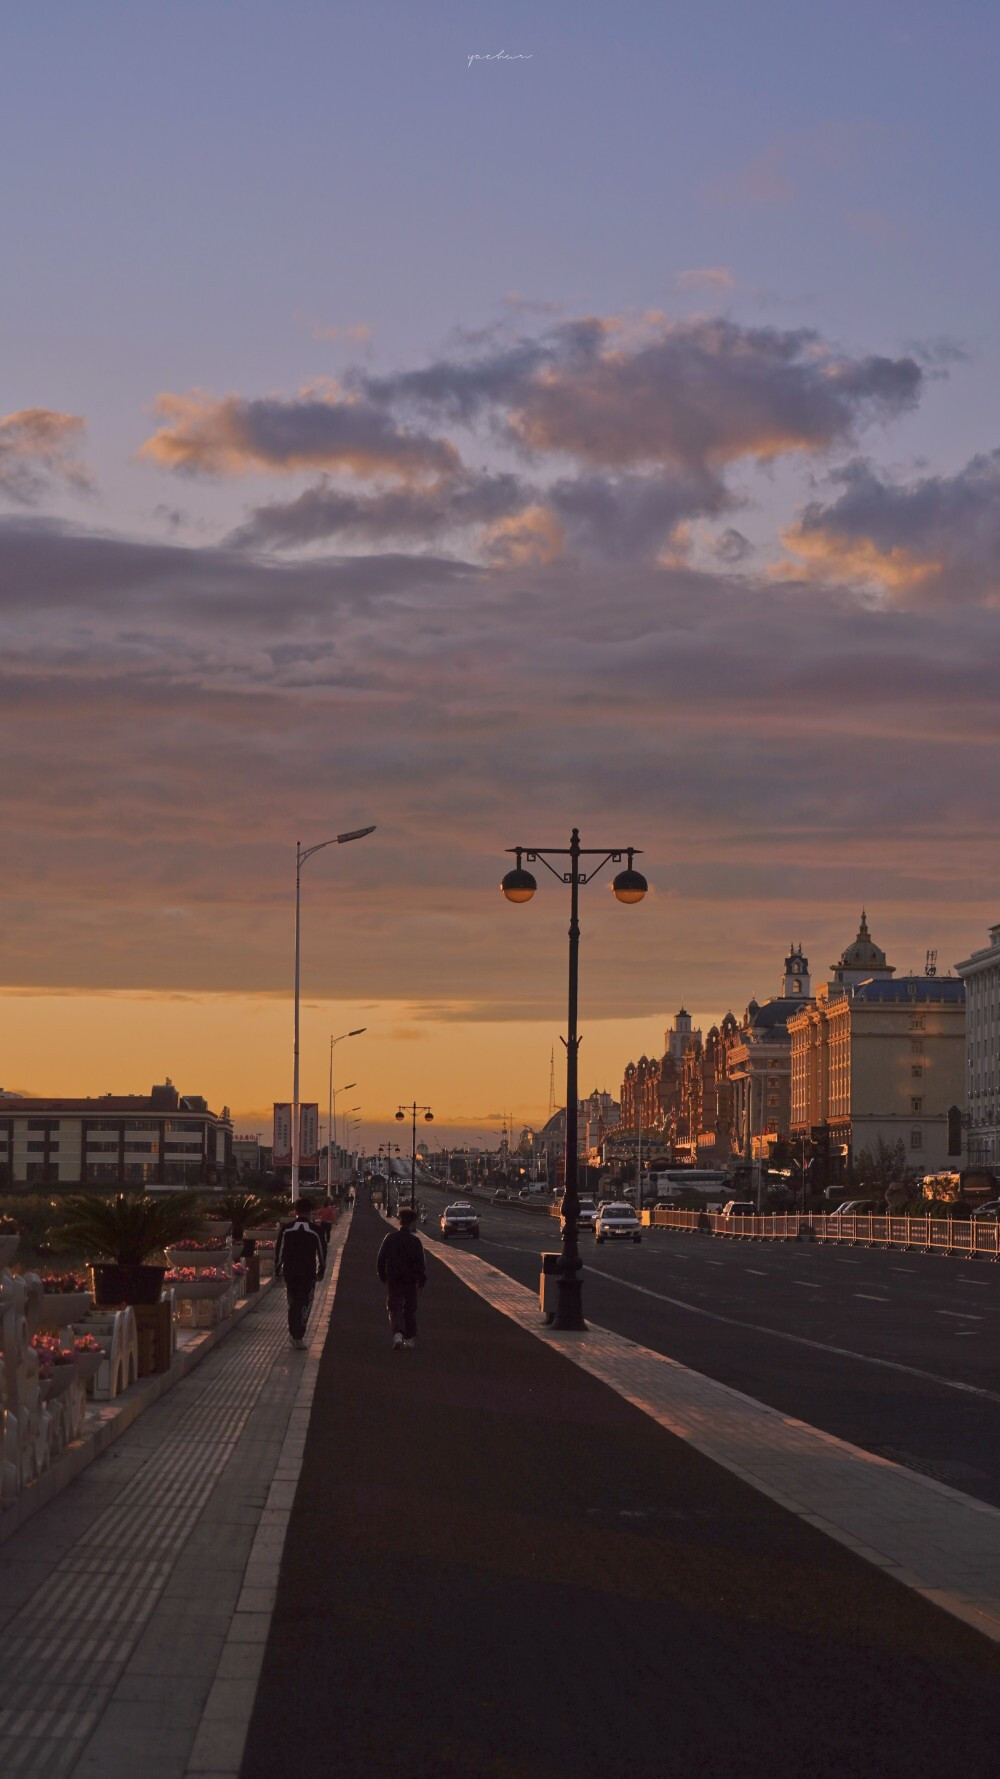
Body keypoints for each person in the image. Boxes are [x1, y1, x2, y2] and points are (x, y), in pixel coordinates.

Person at [274, 1198, 326, 1349]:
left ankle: (294, 1334)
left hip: (290, 1273)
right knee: (304, 1303)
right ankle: (298, 1335)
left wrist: (278, 1269)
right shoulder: (315, 1230)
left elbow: (280, 1250)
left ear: (295, 1211)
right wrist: (321, 1269)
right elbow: (322, 1252)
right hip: (307, 1273)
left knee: (293, 1302)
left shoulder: (286, 1229)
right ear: (310, 1211)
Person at [376, 1205, 427, 1350]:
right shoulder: (415, 1242)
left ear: (400, 1221)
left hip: (394, 1279)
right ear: (412, 1223)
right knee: (409, 1308)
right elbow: (421, 1263)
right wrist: (421, 1281)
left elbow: (381, 1258)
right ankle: (409, 1338)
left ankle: (397, 1334)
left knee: (394, 1307)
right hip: (410, 1280)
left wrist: (382, 1275)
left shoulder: (390, 1238)